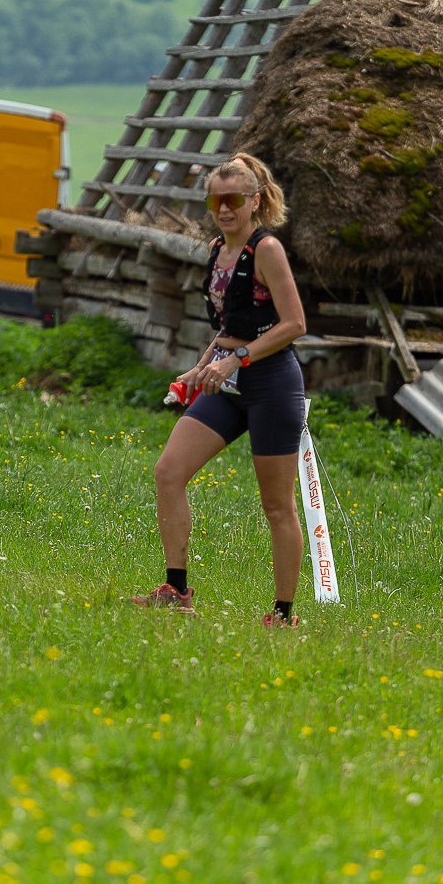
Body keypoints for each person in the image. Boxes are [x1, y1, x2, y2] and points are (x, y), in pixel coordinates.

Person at [134, 152, 308, 626]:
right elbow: (231, 325)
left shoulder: (266, 249)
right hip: (227, 382)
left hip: (272, 384)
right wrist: (201, 366)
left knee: (276, 505)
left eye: (233, 199)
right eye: (216, 201)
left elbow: (294, 324)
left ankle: (283, 615)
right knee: (169, 472)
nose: (224, 209)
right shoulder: (216, 249)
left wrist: (239, 358)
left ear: (255, 201)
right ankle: (176, 590)